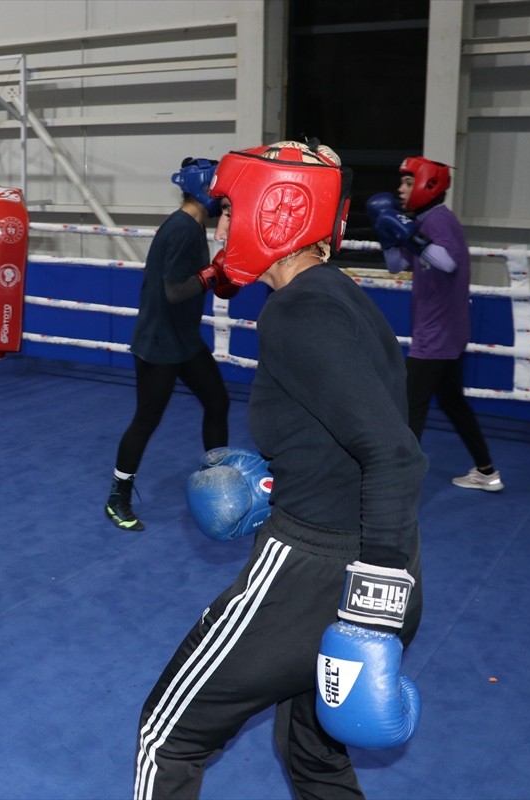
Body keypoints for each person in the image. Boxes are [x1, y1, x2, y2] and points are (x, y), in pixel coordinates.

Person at [134, 141, 426, 799]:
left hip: (315, 573)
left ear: (279, 211)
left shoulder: (299, 311)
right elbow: (352, 433)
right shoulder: (343, 296)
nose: (224, 227)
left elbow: (395, 453)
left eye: (232, 211)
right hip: (378, 555)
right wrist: (276, 475)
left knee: (167, 734)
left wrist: (371, 607)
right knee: (313, 755)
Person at [105, 157, 238, 531]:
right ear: (204, 192)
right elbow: (175, 290)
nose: (223, 200)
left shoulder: (193, 227)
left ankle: (217, 480)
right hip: (160, 343)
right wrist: (214, 272)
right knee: (146, 420)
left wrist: (218, 274)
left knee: (218, 401)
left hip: (184, 339)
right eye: (219, 193)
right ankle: (118, 497)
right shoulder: (181, 229)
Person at [368, 156, 503, 492]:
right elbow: (397, 266)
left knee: (408, 406)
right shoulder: (422, 221)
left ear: (428, 184)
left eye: (408, 182)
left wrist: (410, 234)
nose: (400, 189)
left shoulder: (439, 220)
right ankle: (486, 472)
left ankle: (395, 487)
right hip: (445, 331)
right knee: (452, 403)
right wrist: (389, 235)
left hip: (436, 334)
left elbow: (447, 263)